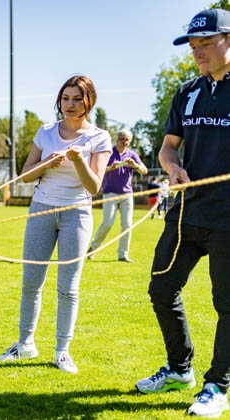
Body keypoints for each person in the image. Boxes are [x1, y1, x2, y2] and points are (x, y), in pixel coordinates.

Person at [134, 8, 230, 418]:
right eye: (193, 47)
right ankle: (179, 368)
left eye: (205, 44)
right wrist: (172, 168)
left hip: (228, 219)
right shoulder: (187, 91)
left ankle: (218, 385)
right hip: (187, 211)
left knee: (226, 304)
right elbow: (169, 146)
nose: (197, 53)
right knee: (161, 289)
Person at [0, 75, 111, 374]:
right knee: (31, 282)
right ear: (59, 101)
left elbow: (95, 185)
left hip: (77, 214)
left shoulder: (99, 137)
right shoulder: (45, 133)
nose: (70, 105)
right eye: (66, 98)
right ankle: (25, 345)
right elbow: (24, 176)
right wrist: (46, 163)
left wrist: (78, 161)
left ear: (89, 102)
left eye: (77, 99)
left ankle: (62, 351)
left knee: (68, 287)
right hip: (41, 210)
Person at [86, 129, 147, 262]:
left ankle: (123, 254)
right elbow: (97, 170)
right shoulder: (109, 153)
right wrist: (110, 168)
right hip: (110, 193)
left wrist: (135, 165)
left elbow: (144, 170)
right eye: (122, 139)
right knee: (108, 223)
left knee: (127, 225)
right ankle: (93, 248)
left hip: (127, 194)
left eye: (127, 140)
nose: (124, 142)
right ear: (117, 139)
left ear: (130, 142)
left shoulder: (132, 154)